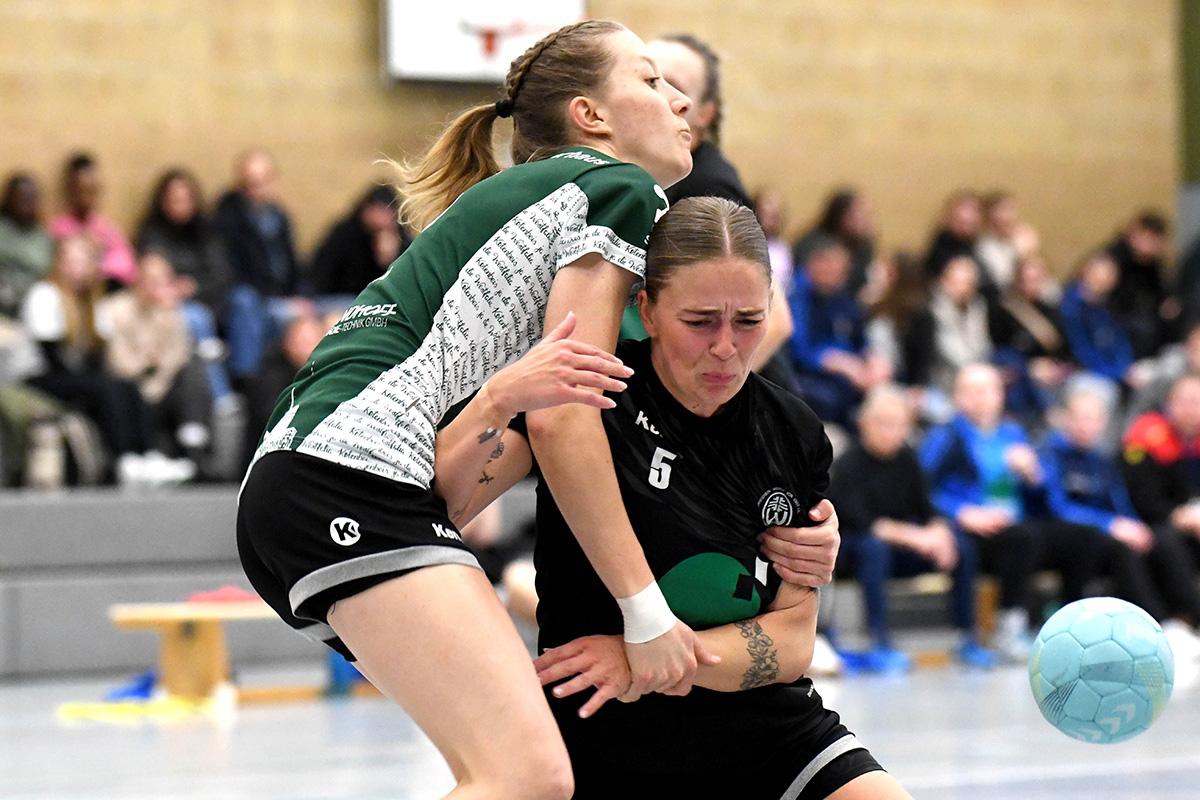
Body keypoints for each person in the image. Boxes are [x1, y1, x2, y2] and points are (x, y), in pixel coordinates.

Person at [237, 22, 836, 800]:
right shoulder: (617, 187)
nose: (680, 99)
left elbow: (548, 428)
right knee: (525, 776)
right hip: (347, 475)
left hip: (303, 486)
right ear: (592, 116)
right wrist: (645, 615)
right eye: (651, 82)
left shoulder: (534, 206)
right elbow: (563, 415)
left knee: (512, 776)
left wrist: (797, 525)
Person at [518, 198, 907, 799]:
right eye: (699, 322)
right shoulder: (588, 407)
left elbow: (793, 642)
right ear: (645, 309)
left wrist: (643, 657)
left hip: (765, 727)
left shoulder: (793, 432)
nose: (726, 347)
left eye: (749, 321)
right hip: (605, 733)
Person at [1041, 379, 1200, 649]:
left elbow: (1120, 502)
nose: (1086, 425)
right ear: (1064, 419)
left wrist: (1136, 527)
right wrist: (1111, 524)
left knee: (1151, 542)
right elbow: (1057, 506)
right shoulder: (1050, 452)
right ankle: (1160, 625)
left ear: (1103, 424)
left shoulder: (1101, 459)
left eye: (1093, 419)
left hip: (1104, 533)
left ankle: (1183, 620)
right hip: (1065, 535)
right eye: (1080, 418)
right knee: (1120, 549)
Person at [830, 385, 978, 673]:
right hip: (855, 552)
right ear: (864, 423)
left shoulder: (907, 458)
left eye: (897, 424)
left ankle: (967, 637)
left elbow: (927, 508)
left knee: (961, 544)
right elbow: (867, 523)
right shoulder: (849, 464)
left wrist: (940, 535)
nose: (889, 431)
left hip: (901, 549)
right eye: (882, 423)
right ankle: (879, 641)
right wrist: (918, 537)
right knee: (874, 548)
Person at [19, 234, 153, 483]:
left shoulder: (93, 302)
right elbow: (51, 358)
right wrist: (92, 380)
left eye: (83, 261)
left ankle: (144, 456)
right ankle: (123, 459)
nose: (77, 268)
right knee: (102, 388)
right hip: (37, 377)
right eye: (71, 261)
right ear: (58, 263)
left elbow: (96, 356)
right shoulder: (45, 295)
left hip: (74, 375)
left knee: (126, 385)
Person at [100, 251, 212, 475]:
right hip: (130, 387)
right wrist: (146, 365)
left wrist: (159, 377)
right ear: (138, 280)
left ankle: (194, 441)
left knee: (195, 369)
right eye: (152, 281)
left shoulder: (170, 313)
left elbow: (177, 356)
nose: (157, 287)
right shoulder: (116, 309)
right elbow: (115, 360)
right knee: (123, 390)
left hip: (162, 387)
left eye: (163, 281)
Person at [135, 168, 236, 410]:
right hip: (169, 305)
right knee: (195, 318)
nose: (180, 205)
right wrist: (171, 288)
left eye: (185, 199)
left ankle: (230, 372)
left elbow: (222, 276)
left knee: (235, 305)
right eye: (173, 199)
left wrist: (195, 287)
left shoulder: (207, 232)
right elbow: (151, 276)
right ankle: (221, 395)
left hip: (210, 302)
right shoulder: (152, 235)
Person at [212, 150, 307, 382]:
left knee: (343, 306)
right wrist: (284, 303)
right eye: (250, 183)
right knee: (244, 301)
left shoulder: (279, 217)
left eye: (263, 181)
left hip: (285, 297)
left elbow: (294, 266)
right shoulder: (229, 217)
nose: (257, 189)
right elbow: (232, 273)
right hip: (255, 299)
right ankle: (247, 385)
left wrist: (302, 296)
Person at [787, 235, 892, 429]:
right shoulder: (796, 299)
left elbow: (860, 340)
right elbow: (798, 350)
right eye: (832, 266)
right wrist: (835, 362)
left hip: (853, 375)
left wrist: (874, 359)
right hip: (812, 378)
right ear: (816, 264)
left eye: (843, 269)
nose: (838, 274)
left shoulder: (843, 300)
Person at [646, 34, 750, 207]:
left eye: (674, 87)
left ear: (705, 114)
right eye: (649, 81)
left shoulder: (711, 190)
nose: (653, 96)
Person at [309, 184, 411, 298]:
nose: (379, 218)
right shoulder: (346, 234)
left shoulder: (403, 240)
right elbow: (323, 274)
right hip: (338, 299)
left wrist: (389, 259)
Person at [1059, 250, 1137, 389]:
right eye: (1099, 274)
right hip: (1084, 373)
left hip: (1115, 371)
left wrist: (1126, 367)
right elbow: (1080, 351)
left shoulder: (1108, 305)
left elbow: (1120, 340)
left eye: (1109, 275)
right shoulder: (1071, 307)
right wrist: (1118, 373)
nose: (1104, 280)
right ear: (1085, 272)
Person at [1105, 210, 1177, 359]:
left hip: (1140, 319)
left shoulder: (1151, 263)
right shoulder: (1114, 259)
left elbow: (1161, 292)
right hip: (1113, 322)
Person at [793, 189, 878, 300]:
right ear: (843, 216)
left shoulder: (864, 247)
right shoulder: (814, 244)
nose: (867, 221)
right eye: (861, 215)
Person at [0, 173, 54, 318]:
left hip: (33, 309)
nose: (26, 201)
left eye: (31, 197)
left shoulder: (43, 239)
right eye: (20, 196)